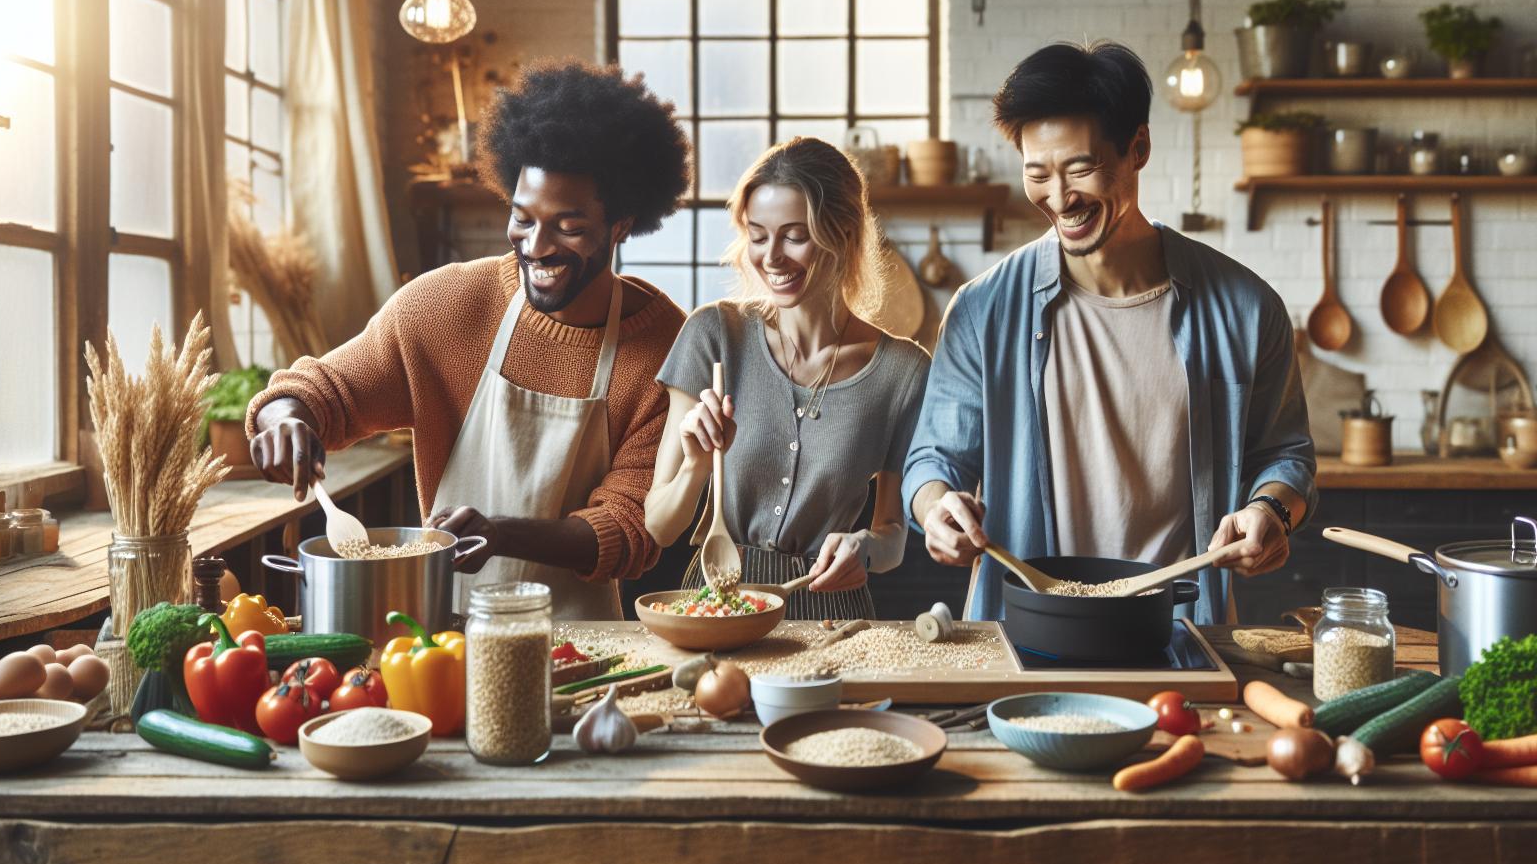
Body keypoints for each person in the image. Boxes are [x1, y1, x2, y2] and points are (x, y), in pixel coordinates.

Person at [246, 60, 691, 619]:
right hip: (439, 627)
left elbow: (630, 529)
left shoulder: (665, 346)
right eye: (522, 218)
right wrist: (286, 418)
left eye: (569, 227)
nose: (537, 246)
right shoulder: (448, 306)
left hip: (581, 641)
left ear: (620, 225)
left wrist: (503, 534)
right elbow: (324, 391)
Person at [901, 41, 1316, 625]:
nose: (1059, 197)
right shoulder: (982, 310)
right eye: (1037, 174)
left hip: (1180, 630)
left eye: (1080, 168)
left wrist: (1271, 510)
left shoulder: (1245, 309)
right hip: (1024, 630)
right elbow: (932, 459)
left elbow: (1285, 454)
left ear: (1137, 147)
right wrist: (936, 508)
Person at [643, 138, 930, 619]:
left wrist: (864, 548)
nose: (771, 257)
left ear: (844, 234)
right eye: (758, 236)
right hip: (718, 609)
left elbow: (893, 538)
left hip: (831, 614)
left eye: (795, 236)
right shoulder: (714, 335)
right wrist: (695, 465)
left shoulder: (903, 372)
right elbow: (659, 527)